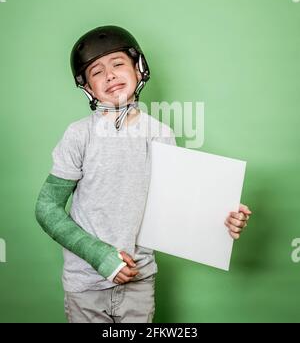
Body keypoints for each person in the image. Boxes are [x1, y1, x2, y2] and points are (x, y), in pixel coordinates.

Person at [35, 25, 252, 323]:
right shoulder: (78, 135)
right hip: (85, 285)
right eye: (96, 71)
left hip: (139, 280)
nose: (109, 75)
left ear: (139, 70)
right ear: (87, 86)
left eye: (118, 64)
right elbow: (47, 209)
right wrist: (100, 256)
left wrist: (221, 216)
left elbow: (176, 206)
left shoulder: (160, 134)